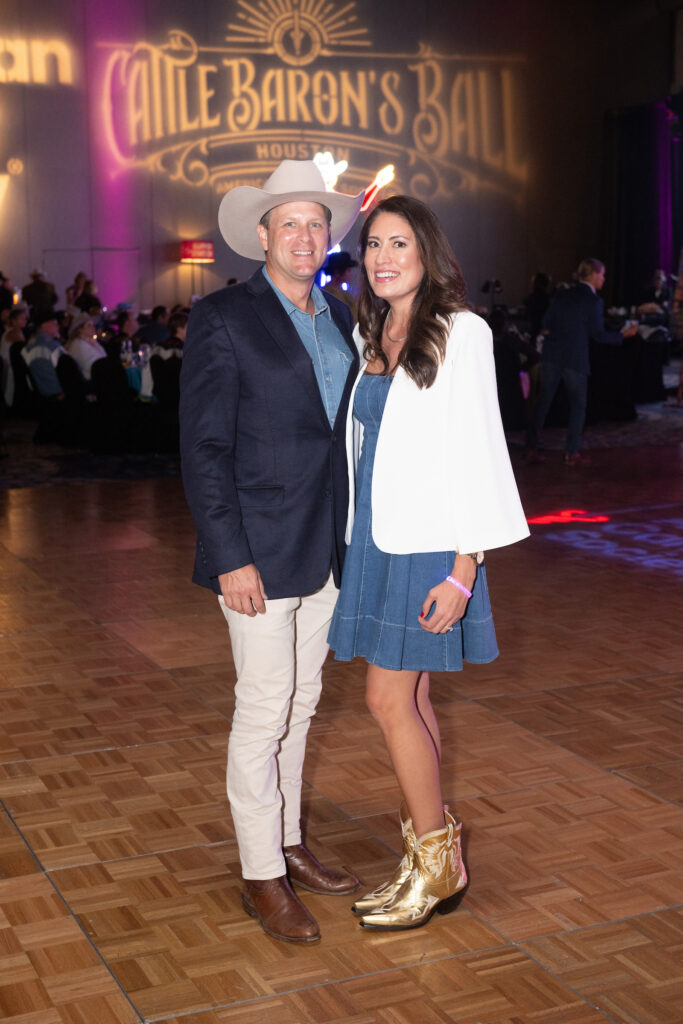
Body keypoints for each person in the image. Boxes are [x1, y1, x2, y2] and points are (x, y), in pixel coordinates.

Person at [327, 195, 529, 931]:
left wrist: (463, 569)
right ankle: (426, 859)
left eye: (398, 245)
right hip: (377, 541)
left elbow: (479, 451)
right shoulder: (373, 330)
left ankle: (439, 862)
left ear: (427, 254)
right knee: (408, 701)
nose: (382, 258)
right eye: (374, 245)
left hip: (430, 550)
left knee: (387, 701)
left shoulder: (460, 330)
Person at [179, 160, 365, 944]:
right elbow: (203, 446)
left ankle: (288, 840)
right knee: (261, 712)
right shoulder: (224, 318)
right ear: (260, 236)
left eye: (316, 223)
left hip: (326, 548)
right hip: (254, 550)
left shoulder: (344, 318)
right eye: (288, 222)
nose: (304, 235)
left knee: (303, 703)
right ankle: (261, 872)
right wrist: (229, 554)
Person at [525, 257, 638, 466]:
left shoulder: (561, 294)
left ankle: (531, 447)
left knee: (543, 402)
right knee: (578, 406)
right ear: (594, 275)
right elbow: (598, 335)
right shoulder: (594, 301)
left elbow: (546, 323)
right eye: (602, 274)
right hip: (575, 360)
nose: (604, 279)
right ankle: (571, 452)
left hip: (552, 355)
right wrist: (624, 336)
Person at [66, 314, 106, 381]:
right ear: (80, 330)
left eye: (93, 325)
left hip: (100, 377)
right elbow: (92, 366)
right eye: (89, 325)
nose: (93, 327)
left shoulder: (92, 342)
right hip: (91, 382)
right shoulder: (78, 345)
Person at [323, 251, 358, 317]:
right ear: (337, 272)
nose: (350, 274)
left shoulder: (343, 293)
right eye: (348, 271)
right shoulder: (331, 294)